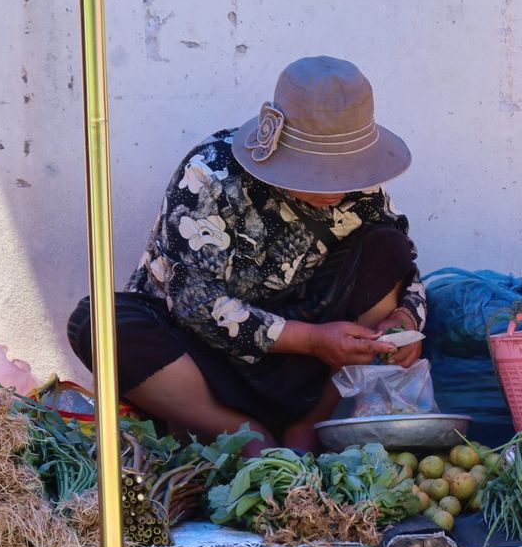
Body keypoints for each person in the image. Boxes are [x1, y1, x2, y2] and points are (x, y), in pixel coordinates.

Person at [67, 56, 426, 455]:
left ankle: (309, 428)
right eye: (320, 172)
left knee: (386, 248)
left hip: (309, 376)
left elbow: (405, 268)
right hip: (207, 368)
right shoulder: (212, 175)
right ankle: (246, 435)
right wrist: (310, 340)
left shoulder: (363, 191)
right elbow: (194, 303)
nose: (337, 187)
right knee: (98, 322)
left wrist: (406, 319)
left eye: (345, 170)